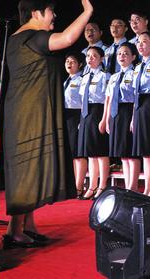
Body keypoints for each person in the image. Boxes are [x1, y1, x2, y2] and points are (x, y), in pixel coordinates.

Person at [3, 0, 94, 248]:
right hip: (29, 113)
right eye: (51, 11)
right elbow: (67, 38)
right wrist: (87, 11)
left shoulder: (17, 39)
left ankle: (27, 226)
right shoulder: (33, 37)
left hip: (24, 110)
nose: (54, 16)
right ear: (36, 13)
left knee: (31, 167)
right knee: (26, 169)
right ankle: (14, 231)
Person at [103, 42, 140, 191]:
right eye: (119, 53)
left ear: (133, 57)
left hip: (128, 111)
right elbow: (109, 98)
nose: (121, 56)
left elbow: (137, 98)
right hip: (115, 113)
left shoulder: (135, 73)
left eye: (126, 53)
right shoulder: (114, 76)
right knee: (123, 153)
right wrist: (107, 119)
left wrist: (134, 118)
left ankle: (133, 186)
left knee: (131, 152)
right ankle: (127, 185)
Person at [130, 32, 150, 197]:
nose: (140, 45)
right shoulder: (137, 66)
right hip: (139, 105)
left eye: (144, 42)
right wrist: (133, 117)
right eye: (138, 42)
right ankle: (148, 187)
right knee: (145, 151)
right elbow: (135, 92)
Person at [77, 46, 111, 202]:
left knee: (100, 151)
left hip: (98, 111)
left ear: (101, 58)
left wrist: (104, 119)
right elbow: (81, 99)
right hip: (86, 113)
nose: (90, 59)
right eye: (88, 56)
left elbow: (107, 99)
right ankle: (92, 185)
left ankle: (102, 185)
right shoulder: (84, 76)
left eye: (94, 56)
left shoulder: (105, 76)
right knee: (90, 153)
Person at [63, 52, 87, 198]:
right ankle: (72, 185)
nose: (69, 64)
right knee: (71, 153)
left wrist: (82, 120)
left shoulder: (81, 80)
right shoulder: (65, 81)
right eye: (67, 61)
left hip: (77, 116)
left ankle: (79, 186)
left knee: (79, 153)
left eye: (72, 61)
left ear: (80, 65)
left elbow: (84, 101)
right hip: (66, 116)